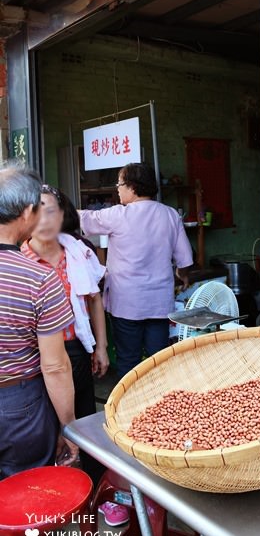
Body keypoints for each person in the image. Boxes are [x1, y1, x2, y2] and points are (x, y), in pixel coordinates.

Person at [0, 164, 78, 536]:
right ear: (27, 213)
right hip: (20, 406)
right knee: (21, 499)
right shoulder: (38, 278)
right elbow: (55, 365)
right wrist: (68, 427)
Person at [21, 185, 109, 488]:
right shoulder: (19, 259)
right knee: (46, 429)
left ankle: (97, 490)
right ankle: (52, 495)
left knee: (85, 423)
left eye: (51, 210)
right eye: (37, 211)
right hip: (34, 357)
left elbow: (94, 300)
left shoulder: (77, 251)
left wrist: (101, 347)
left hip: (75, 349)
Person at [79, 162, 193, 378]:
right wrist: (182, 276)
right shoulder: (170, 215)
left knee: (128, 360)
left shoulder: (118, 215)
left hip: (126, 304)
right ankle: (160, 405)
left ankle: (127, 409)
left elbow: (82, 218)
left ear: (132, 187)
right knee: (158, 361)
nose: (117, 189)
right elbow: (184, 260)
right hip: (159, 304)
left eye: (120, 184)